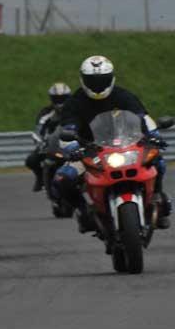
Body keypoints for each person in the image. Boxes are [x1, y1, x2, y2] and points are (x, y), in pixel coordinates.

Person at [53, 55, 170, 231]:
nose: (98, 84)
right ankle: (83, 211)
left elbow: (143, 118)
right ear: (83, 79)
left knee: (158, 161)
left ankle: (157, 200)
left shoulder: (124, 96)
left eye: (102, 79)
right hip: (89, 150)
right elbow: (67, 129)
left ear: (111, 78)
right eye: (92, 80)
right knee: (63, 179)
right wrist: (72, 147)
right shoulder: (74, 103)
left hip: (128, 146)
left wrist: (154, 135)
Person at [25, 82, 71, 192]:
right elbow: (38, 131)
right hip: (52, 145)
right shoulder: (46, 113)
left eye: (63, 98)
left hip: (72, 144)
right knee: (31, 160)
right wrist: (41, 144)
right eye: (57, 99)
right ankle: (40, 178)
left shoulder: (75, 110)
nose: (60, 102)